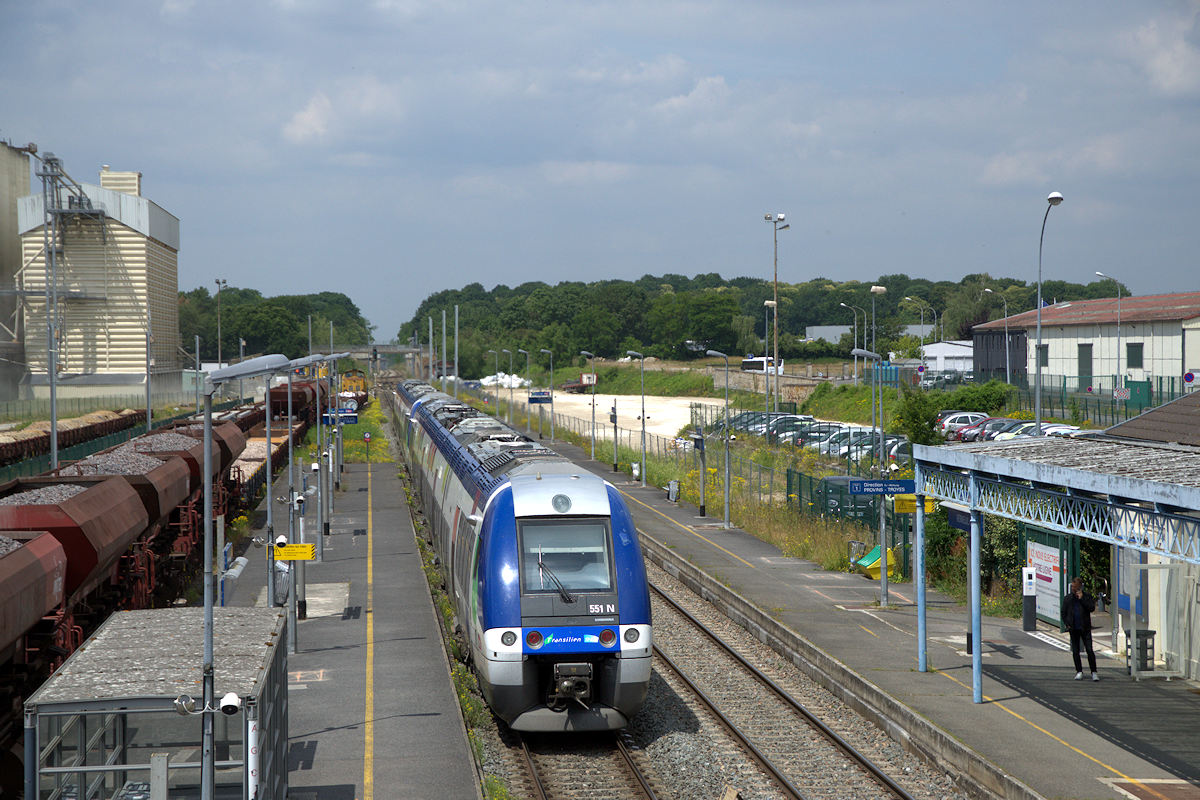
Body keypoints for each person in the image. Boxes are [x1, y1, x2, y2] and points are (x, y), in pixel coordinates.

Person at [1062, 576, 1099, 681]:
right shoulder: (1068, 598)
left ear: (1080, 587)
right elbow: (1063, 612)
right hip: (1073, 628)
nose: (1075, 590)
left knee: (1089, 650)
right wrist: (1067, 624)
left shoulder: (1086, 596)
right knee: (1075, 651)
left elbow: (1091, 608)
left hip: (1085, 627)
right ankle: (1079, 671)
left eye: (1076, 588)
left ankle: (1094, 671)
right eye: (1073, 588)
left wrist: (1082, 598)